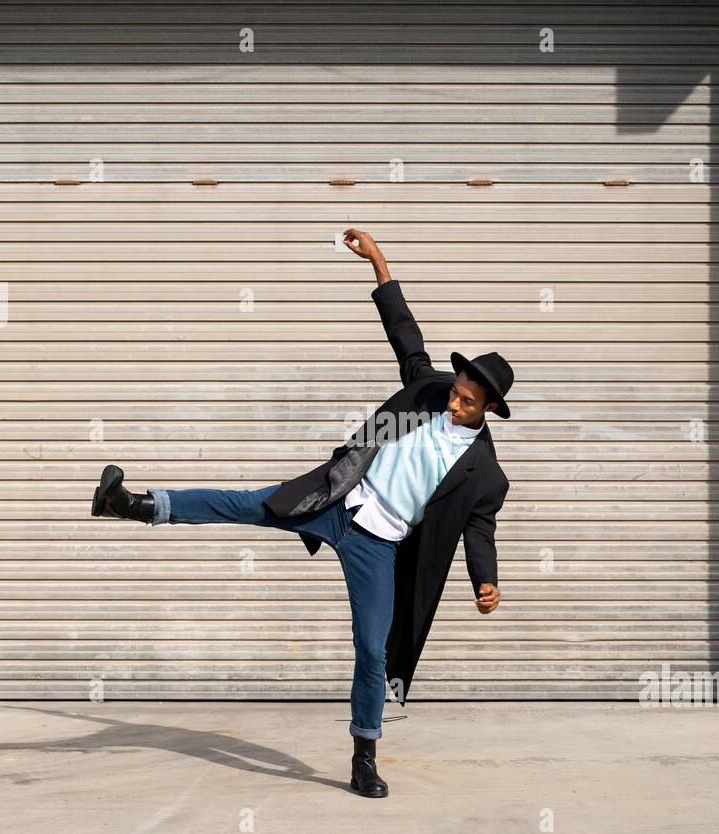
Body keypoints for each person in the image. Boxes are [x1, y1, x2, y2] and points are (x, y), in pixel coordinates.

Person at [92, 228, 515, 798]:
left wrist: (486, 581)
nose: (454, 401)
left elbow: (479, 529)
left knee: (372, 646)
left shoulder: (486, 476)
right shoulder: (427, 388)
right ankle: (135, 505)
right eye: (456, 388)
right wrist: (379, 263)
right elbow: (404, 335)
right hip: (336, 499)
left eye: (467, 400)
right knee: (240, 503)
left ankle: (364, 755)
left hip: (380, 545)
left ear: (489, 410)